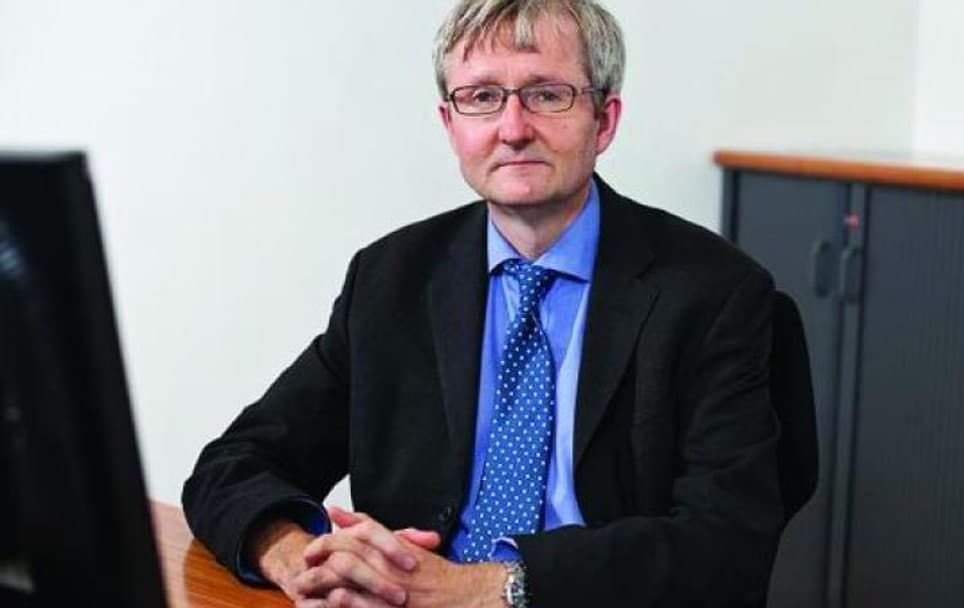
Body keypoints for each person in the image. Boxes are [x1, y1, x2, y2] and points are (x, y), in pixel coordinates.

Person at [182, 0, 782, 606]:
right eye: (482, 97)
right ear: (450, 124)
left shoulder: (714, 293)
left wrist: (481, 588)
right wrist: (303, 560)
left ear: (604, 120)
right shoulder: (391, 280)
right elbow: (232, 466)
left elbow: (729, 545)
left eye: (547, 95)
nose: (513, 128)